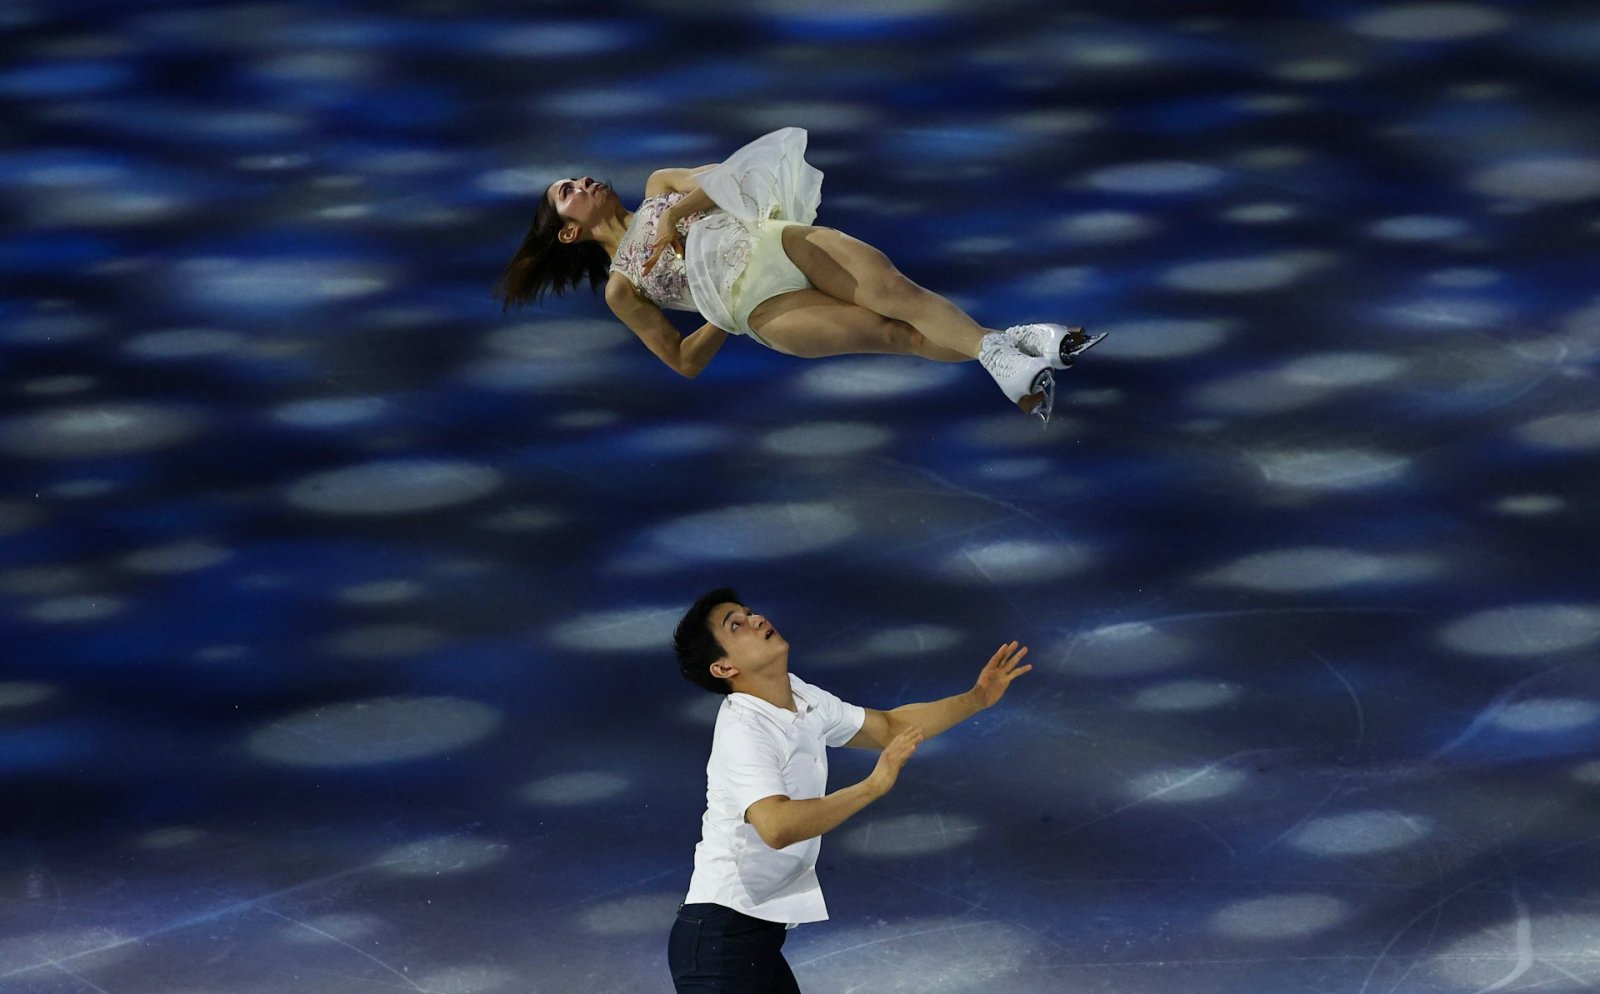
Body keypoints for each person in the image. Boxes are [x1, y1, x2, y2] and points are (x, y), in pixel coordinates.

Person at [496, 128, 1103, 422]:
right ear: (568, 233)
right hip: (761, 311)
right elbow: (681, 361)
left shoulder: (659, 187)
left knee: (898, 294)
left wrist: (674, 217)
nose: (583, 183)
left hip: (775, 243)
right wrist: (718, 313)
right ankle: (1019, 343)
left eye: (577, 178)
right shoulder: (621, 288)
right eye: (567, 192)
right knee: (897, 334)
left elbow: (729, 176)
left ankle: (1004, 356)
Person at [668, 587, 1033, 993]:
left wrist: (976, 699)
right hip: (719, 939)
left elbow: (889, 727)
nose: (755, 620)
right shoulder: (744, 730)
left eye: (749, 612)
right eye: (735, 626)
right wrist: (872, 786)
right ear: (723, 668)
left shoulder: (800, 696)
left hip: (751, 938)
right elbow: (776, 826)